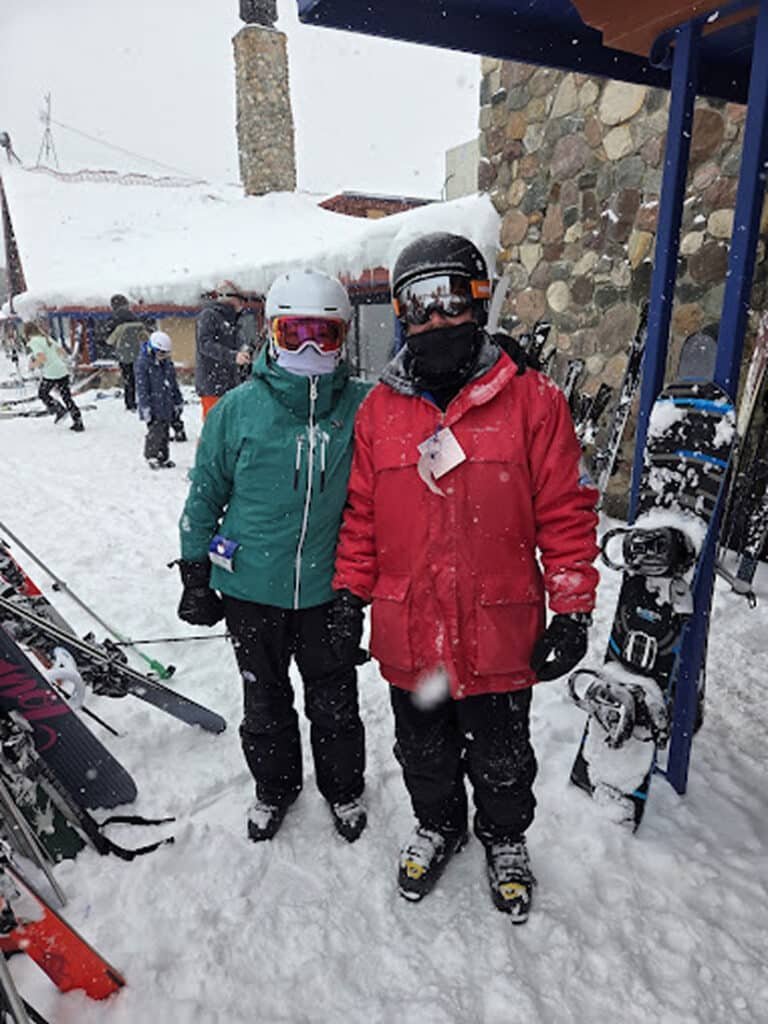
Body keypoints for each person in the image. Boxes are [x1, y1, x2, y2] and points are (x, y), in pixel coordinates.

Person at [333, 232, 599, 923]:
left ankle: (505, 838)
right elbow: (362, 514)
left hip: (497, 630)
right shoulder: (380, 412)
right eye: (417, 303)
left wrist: (572, 609)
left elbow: (566, 514)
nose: (434, 318)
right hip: (411, 632)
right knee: (422, 749)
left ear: (478, 301)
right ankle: (439, 824)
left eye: (450, 297)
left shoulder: (533, 402)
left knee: (504, 756)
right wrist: (347, 594)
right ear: (400, 313)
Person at [177, 269, 372, 844]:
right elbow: (205, 491)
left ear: (344, 336)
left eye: (324, 335)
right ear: (270, 333)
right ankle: (275, 786)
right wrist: (195, 571)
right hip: (250, 588)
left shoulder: (364, 408)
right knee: (263, 699)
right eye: (294, 334)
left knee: (334, 702)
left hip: (327, 590)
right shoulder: (238, 409)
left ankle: (343, 786)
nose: (310, 348)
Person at [194, 280, 252, 420]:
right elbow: (205, 345)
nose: (243, 304)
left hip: (230, 384)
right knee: (214, 428)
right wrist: (233, 356)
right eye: (241, 300)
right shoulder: (209, 315)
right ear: (231, 298)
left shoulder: (233, 320)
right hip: (213, 385)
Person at [134, 330, 185, 469]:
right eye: (161, 353)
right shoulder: (143, 364)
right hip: (153, 405)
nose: (163, 356)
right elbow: (142, 388)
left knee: (165, 432)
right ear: (153, 349)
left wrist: (178, 400)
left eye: (166, 354)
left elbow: (173, 383)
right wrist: (145, 407)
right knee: (155, 432)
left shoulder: (167, 364)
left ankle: (163, 456)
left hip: (166, 403)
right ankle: (152, 455)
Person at [24, 321, 84, 432]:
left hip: (51, 373)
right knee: (67, 397)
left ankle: (59, 410)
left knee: (42, 394)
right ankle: (78, 422)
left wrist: (33, 365)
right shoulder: (47, 338)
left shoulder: (34, 342)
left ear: (27, 333)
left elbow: (42, 358)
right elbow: (62, 352)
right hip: (62, 370)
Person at [103, 294, 150, 411]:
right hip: (138, 353)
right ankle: (144, 399)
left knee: (128, 379)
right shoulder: (135, 317)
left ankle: (130, 403)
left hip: (124, 354)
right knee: (140, 378)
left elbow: (109, 340)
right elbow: (145, 336)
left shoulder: (114, 319)